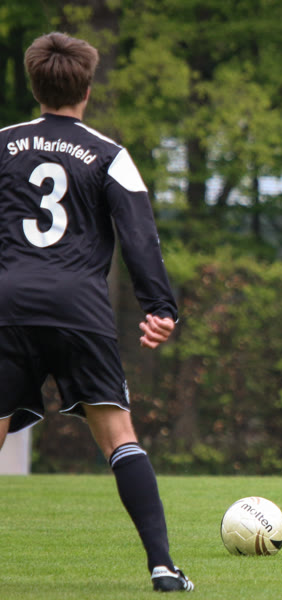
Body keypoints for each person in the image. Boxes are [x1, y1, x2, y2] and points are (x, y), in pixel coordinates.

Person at [0, 33, 192, 592]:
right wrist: (160, 307)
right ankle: (162, 567)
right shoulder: (109, 154)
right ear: (87, 89)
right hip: (79, 310)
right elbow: (140, 238)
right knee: (119, 439)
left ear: (34, 86)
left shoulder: (2, 145)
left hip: (8, 307)